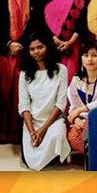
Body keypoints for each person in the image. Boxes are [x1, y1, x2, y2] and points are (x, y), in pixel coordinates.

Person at [0, 0, 45, 143]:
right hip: (5, 53)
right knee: (5, 91)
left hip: (27, 51)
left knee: (26, 92)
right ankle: (4, 131)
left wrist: (23, 43)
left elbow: (37, 24)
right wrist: (9, 43)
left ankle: (25, 130)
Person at [18, 34, 70, 170]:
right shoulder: (24, 73)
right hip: (32, 121)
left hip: (54, 120)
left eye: (40, 47)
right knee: (31, 158)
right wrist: (32, 132)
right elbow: (23, 105)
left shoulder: (61, 70)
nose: (36, 52)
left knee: (57, 135)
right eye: (32, 49)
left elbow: (61, 103)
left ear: (48, 47)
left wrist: (43, 129)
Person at [44, 0, 93, 80]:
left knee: (70, 79)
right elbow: (39, 20)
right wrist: (55, 39)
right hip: (48, 43)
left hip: (73, 46)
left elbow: (83, 21)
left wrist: (70, 42)